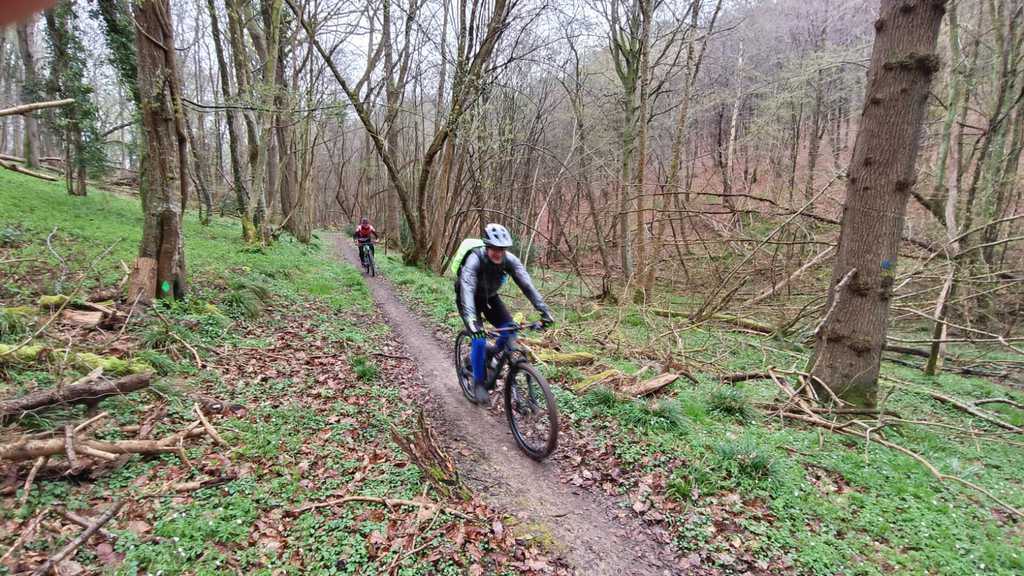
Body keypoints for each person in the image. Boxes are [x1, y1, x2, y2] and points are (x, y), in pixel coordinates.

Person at [455, 223, 554, 405]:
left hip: (490, 297)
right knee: (478, 339)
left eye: (502, 249)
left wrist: (544, 311)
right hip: (468, 299)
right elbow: (467, 290)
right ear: (487, 246)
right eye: (494, 248)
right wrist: (472, 321)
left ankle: (492, 352)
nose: (498, 253)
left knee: (510, 329)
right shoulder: (475, 260)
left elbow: (527, 286)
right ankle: (478, 383)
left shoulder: (510, 261)